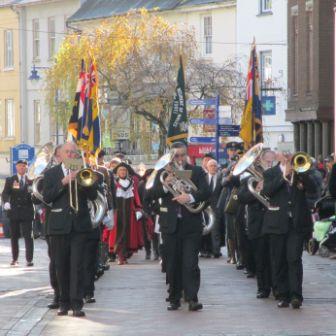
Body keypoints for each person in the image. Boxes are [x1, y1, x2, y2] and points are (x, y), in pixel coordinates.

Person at [147, 142, 210, 311]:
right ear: (171, 157)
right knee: (172, 263)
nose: (180, 159)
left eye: (183, 155)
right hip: (170, 225)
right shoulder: (163, 173)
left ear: (187, 155)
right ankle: (174, 298)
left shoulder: (196, 171)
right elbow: (150, 194)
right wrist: (165, 186)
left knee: (190, 263)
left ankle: (192, 298)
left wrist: (189, 197)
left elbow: (206, 192)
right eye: (177, 156)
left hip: (191, 225)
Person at [42, 142, 98, 317]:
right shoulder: (51, 174)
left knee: (77, 266)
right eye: (68, 152)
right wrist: (64, 182)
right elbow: (47, 197)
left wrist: (83, 181)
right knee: (61, 266)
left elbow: (93, 196)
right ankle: (63, 302)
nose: (72, 155)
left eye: (74, 152)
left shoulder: (84, 171)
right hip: (59, 226)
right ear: (60, 155)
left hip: (79, 225)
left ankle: (77, 304)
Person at [262, 151, 321, 309]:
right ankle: (283, 295)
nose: (287, 157)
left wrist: (302, 175)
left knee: (294, 259)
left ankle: (296, 296)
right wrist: (284, 177)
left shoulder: (301, 172)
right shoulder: (270, 173)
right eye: (284, 154)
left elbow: (313, 189)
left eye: (289, 154)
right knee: (279, 260)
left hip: (296, 223)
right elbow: (266, 191)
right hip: (277, 223)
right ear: (278, 157)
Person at [107, 162, 144, 265]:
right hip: (117, 212)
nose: (122, 172)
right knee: (118, 234)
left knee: (128, 234)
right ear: (117, 172)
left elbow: (135, 196)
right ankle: (120, 256)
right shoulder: (114, 183)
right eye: (120, 170)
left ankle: (124, 256)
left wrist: (138, 208)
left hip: (129, 212)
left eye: (124, 170)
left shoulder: (131, 183)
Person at [2, 160, 35, 267]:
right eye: (20, 166)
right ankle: (14, 259)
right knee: (14, 236)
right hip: (14, 211)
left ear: (26, 168)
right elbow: (5, 193)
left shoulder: (31, 179)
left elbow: (35, 193)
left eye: (24, 166)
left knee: (28, 236)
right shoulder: (11, 179)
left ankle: (29, 259)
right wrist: (6, 202)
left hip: (27, 211)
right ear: (16, 167)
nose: (22, 168)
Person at [205, 159, 223, 258]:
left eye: (214, 165)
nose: (213, 167)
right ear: (207, 167)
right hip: (205, 208)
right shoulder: (204, 178)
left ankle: (216, 251)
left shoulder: (221, 178)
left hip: (216, 208)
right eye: (211, 166)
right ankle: (206, 250)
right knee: (206, 229)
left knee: (215, 229)